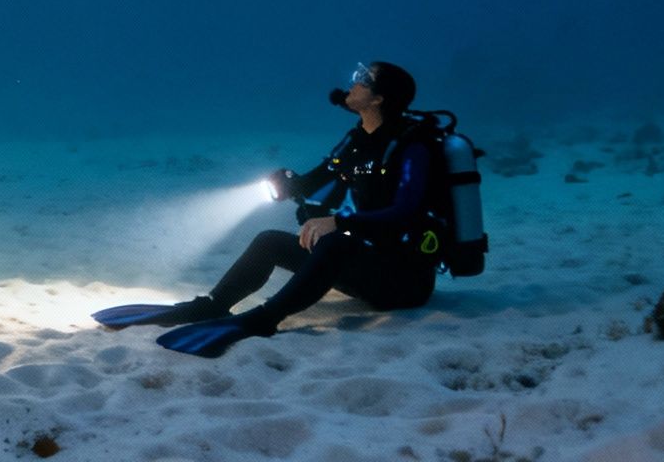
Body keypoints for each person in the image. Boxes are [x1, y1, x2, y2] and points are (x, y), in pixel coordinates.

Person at [93, 61, 441, 356]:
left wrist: (338, 221)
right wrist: (289, 182)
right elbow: (312, 183)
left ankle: (263, 319)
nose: (353, 81)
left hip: (402, 282)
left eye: (364, 79)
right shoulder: (357, 141)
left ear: (379, 98)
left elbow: (405, 212)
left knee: (336, 241)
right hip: (364, 268)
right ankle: (213, 304)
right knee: (269, 241)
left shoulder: (410, 147)